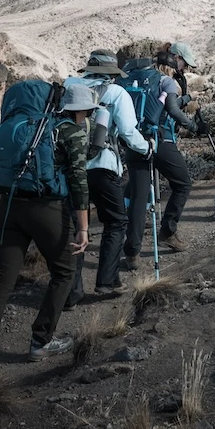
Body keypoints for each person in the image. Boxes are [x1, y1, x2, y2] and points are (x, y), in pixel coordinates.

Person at [0, 86, 92, 375]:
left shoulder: (13, 127)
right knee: (64, 271)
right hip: (46, 207)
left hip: (8, 205)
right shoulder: (66, 131)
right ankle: (40, 341)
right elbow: (78, 180)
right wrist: (84, 227)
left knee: (2, 279)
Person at [66, 51, 149, 304]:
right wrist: (147, 148)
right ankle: (107, 281)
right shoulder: (116, 93)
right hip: (103, 167)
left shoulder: (68, 87)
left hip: (70, 167)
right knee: (115, 222)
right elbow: (127, 131)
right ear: (112, 73)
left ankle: (71, 292)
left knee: (77, 228)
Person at [131, 43, 201, 254]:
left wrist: (185, 98)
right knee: (183, 183)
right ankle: (167, 232)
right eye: (183, 64)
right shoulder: (167, 81)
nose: (184, 69)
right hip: (160, 139)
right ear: (173, 61)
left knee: (138, 195)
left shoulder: (142, 79)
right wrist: (194, 127)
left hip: (135, 139)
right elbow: (170, 108)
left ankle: (131, 252)